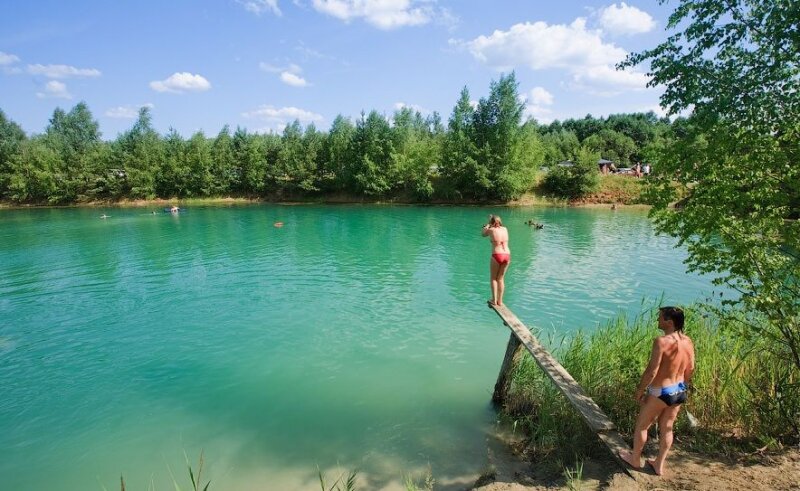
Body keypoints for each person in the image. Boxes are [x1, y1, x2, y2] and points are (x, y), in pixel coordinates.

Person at [619, 306, 695, 477]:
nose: (657, 320)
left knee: (642, 426)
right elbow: (690, 368)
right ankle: (659, 464)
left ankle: (635, 460)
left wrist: (640, 390)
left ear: (669, 322)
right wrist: (684, 386)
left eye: (660, 318)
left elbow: (652, 371)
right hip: (679, 389)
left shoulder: (661, 341)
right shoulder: (688, 341)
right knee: (667, 428)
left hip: (661, 390)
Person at [482, 214, 511, 306]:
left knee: (493, 278)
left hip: (497, 254)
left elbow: (483, 234)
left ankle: (494, 300)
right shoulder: (505, 229)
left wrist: (486, 226)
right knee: (501, 279)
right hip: (507, 255)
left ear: (491, 222)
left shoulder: (491, 230)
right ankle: (500, 301)